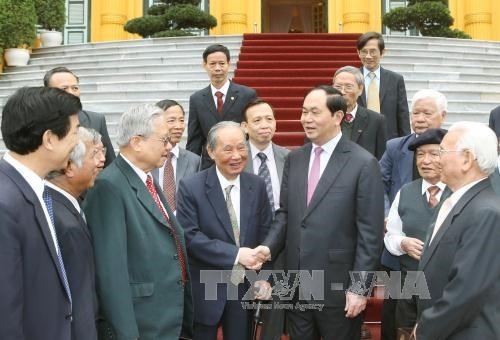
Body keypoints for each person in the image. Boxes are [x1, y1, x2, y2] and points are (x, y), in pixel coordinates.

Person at [258, 86, 384, 339]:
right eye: (304, 112)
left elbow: (370, 234)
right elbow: (285, 215)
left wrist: (359, 288)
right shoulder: (295, 159)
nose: (306, 119)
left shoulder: (362, 163)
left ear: (337, 117)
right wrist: (267, 247)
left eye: (315, 112)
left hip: (338, 290)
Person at [82, 104, 193, 339]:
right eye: (163, 140)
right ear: (137, 142)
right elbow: (111, 274)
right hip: (141, 325)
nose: (169, 146)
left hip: (165, 319)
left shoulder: (146, 179)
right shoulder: (109, 187)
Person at [176, 121, 273, 340]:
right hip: (207, 289)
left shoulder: (256, 185)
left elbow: (267, 234)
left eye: (241, 147)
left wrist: (264, 277)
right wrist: (238, 254)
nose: (236, 155)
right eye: (228, 149)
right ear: (210, 151)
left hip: (244, 288)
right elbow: (190, 237)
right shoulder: (191, 187)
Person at [0, 86, 81, 339]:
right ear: (49, 139)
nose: (77, 143)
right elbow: (6, 311)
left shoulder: (32, 190)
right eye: (75, 132)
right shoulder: (5, 204)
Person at [415, 122, 500, 339]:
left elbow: (467, 291)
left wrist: (425, 329)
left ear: (466, 159)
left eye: (441, 152)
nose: (435, 159)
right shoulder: (457, 202)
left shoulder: (486, 212)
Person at [378, 89, 447, 340]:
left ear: (442, 115)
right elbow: (379, 183)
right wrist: (388, 220)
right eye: (415, 112)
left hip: (443, 276)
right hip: (401, 260)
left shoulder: (457, 180)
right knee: (397, 316)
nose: (419, 118)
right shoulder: (396, 147)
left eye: (426, 113)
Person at [46, 127, 104, 340]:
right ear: (69, 167)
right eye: (93, 155)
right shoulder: (65, 222)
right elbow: (80, 297)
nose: (100, 162)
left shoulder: (60, 203)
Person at [241, 98, 289, 340]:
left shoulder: (289, 157)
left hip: (281, 245)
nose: (265, 125)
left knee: (275, 313)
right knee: (241, 316)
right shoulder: (235, 160)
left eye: (269, 119)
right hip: (245, 247)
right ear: (245, 126)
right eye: (257, 120)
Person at [187, 44, 257, 169]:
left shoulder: (247, 95)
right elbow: (194, 140)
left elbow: (253, 131)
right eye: (212, 64)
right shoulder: (196, 99)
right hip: (210, 166)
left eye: (222, 63)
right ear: (205, 65)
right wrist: (190, 169)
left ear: (228, 64)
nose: (217, 68)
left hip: (240, 162)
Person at [44, 66, 116, 167]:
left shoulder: (96, 120)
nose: (71, 93)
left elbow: (110, 162)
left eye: (75, 88)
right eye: (64, 88)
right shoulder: (39, 122)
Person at [356, 32, 410, 139]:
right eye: (364, 52)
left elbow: (402, 115)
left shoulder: (396, 80)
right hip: (359, 141)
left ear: (382, 52)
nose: (368, 56)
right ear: (358, 53)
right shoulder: (352, 78)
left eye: (373, 51)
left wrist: (405, 144)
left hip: (388, 140)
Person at [151, 99, 200, 213]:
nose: (179, 126)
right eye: (171, 120)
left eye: (182, 120)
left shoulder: (194, 161)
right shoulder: (146, 159)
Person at [332, 66, 387, 159]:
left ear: (360, 89)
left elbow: (381, 159)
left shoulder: (376, 120)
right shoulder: (323, 117)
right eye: (338, 86)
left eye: (348, 87)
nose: (342, 92)